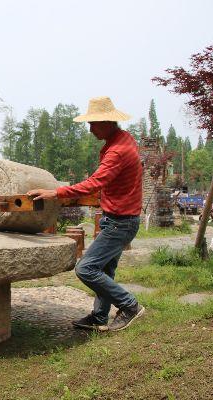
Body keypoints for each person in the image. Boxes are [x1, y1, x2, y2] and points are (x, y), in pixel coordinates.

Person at [28, 96, 144, 332]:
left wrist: (55, 193)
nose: (90, 129)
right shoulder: (123, 139)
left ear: (107, 121)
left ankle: (130, 306)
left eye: (93, 123)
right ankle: (100, 317)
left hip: (120, 222)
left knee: (86, 268)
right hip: (120, 218)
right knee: (104, 270)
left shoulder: (117, 152)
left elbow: (93, 184)